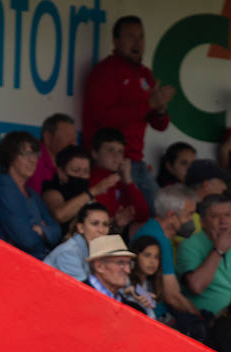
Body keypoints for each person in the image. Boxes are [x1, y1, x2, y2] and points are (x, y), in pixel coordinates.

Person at [83, 15, 173, 208]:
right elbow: (106, 118)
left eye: (141, 37)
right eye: (130, 36)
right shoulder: (105, 71)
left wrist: (160, 108)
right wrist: (149, 103)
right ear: (116, 41)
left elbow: (160, 125)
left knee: (164, 213)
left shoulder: (145, 74)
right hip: (107, 163)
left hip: (135, 161)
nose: (137, 42)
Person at [132, 185, 202, 327]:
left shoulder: (154, 230)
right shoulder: (158, 239)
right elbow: (173, 297)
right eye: (189, 214)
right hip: (156, 319)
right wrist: (199, 318)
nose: (192, 220)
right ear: (171, 216)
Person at [0, 131, 61, 259]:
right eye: (26, 154)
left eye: (35, 154)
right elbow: (27, 240)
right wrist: (45, 231)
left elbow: (57, 232)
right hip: (8, 265)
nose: (32, 160)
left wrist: (41, 230)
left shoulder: (33, 194)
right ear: (10, 156)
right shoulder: (3, 189)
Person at [178, 194, 231, 316]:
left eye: (227, 215)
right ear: (202, 222)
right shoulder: (189, 244)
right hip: (208, 322)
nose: (223, 221)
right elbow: (196, 286)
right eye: (215, 216)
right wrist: (218, 250)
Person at [42, 145, 117, 233]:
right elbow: (60, 215)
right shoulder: (51, 191)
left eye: (86, 171)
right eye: (76, 170)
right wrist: (93, 191)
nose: (81, 176)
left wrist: (116, 223)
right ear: (61, 172)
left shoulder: (87, 193)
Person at [87, 127, 148, 232]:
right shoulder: (89, 179)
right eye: (110, 150)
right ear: (95, 153)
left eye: (120, 151)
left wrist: (128, 179)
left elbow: (142, 215)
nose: (116, 156)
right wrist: (115, 220)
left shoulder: (120, 181)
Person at [43, 202, 112, 282]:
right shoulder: (69, 253)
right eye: (95, 224)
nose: (101, 230)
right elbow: (85, 291)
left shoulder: (99, 252)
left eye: (105, 224)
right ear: (80, 228)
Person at [85, 235, 152, 315]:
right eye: (121, 263)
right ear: (99, 266)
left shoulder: (134, 312)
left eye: (129, 263)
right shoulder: (76, 297)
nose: (128, 270)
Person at [27, 113, 77, 194]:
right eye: (68, 137)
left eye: (75, 139)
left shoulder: (67, 161)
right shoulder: (33, 161)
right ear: (48, 137)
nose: (73, 144)